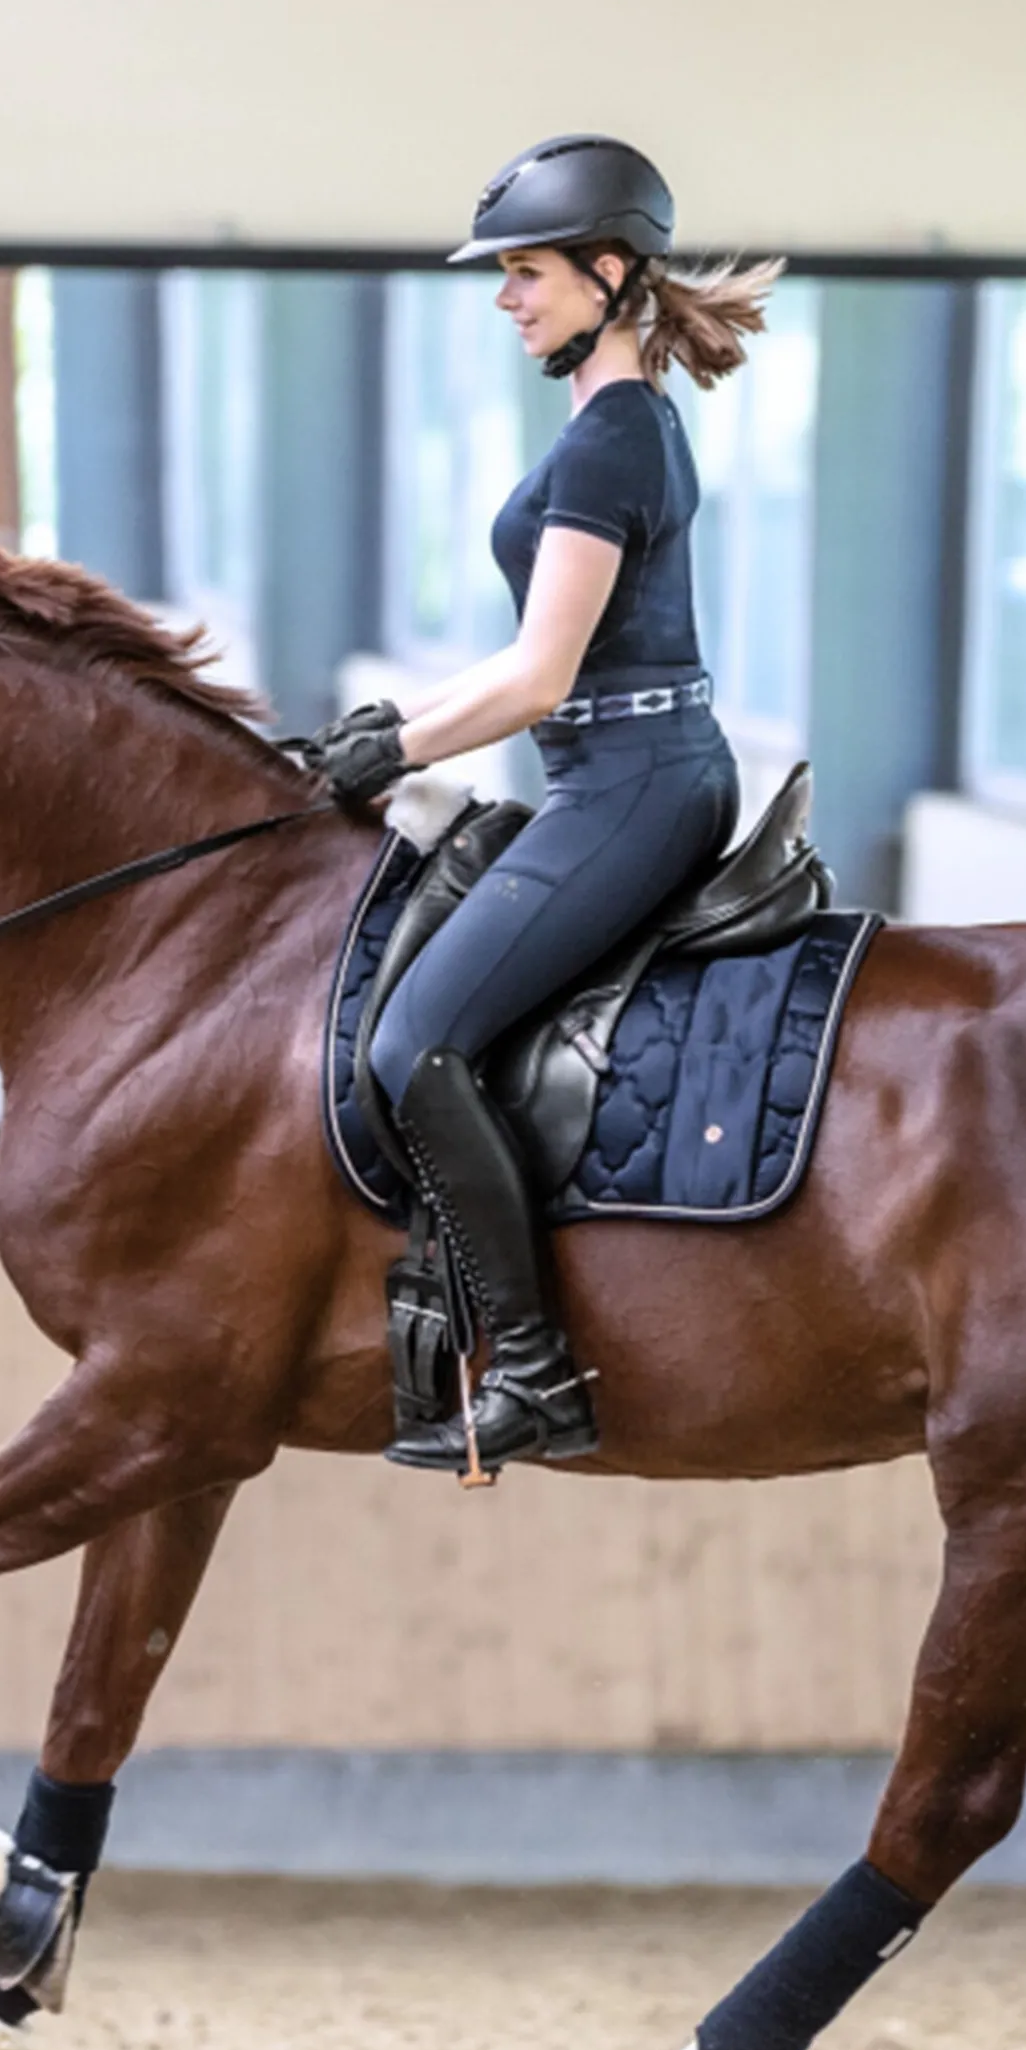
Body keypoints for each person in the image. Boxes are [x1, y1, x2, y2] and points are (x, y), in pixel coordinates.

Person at [305, 134, 783, 1474]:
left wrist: (391, 744)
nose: (508, 299)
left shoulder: (615, 437)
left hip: (630, 782)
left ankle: (531, 1370)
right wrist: (388, 726)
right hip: (622, 768)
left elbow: (540, 674)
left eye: (525, 274)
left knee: (415, 1048)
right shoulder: (605, 427)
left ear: (608, 272)